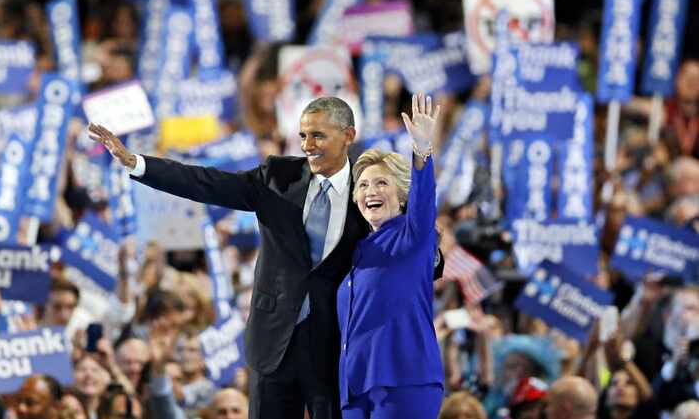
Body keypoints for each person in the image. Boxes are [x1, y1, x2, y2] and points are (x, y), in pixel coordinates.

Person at [89, 95, 444, 419]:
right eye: (303, 136)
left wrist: (432, 258)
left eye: (318, 136)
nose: (308, 145)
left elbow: (413, 235)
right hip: (273, 343)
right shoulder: (278, 176)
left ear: (348, 135)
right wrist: (137, 164)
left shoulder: (367, 189)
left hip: (334, 351)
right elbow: (206, 182)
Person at [337, 93, 443, 419]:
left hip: (405, 381)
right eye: (364, 185)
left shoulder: (412, 237)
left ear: (401, 193)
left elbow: (424, 204)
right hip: (355, 388)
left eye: (381, 183)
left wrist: (422, 152)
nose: (371, 191)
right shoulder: (356, 252)